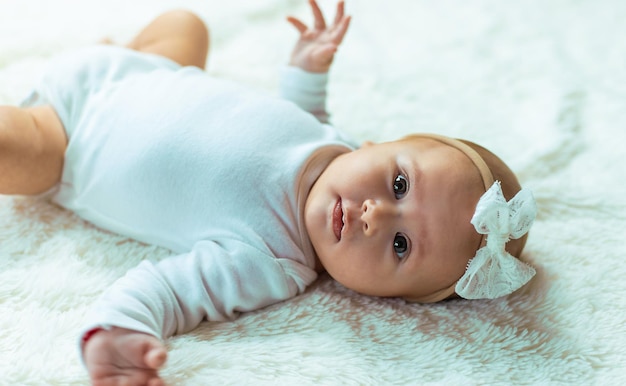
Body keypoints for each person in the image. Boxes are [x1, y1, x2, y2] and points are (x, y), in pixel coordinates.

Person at [0, 1, 538, 385]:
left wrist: (120, 331)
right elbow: (300, 118)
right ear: (379, 144)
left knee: (10, 150)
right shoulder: (336, 146)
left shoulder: (269, 261)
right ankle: (118, 49)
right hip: (143, 69)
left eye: (401, 246)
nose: (376, 214)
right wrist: (307, 71)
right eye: (399, 183)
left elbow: (168, 290)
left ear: (385, 299)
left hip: (67, 140)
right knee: (185, 22)